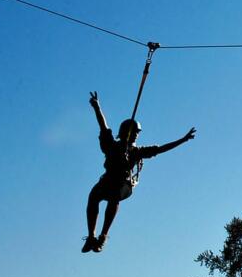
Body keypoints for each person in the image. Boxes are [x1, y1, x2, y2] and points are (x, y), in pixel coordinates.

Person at [83, 91, 195, 252]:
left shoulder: (137, 151)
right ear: (125, 132)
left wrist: (182, 140)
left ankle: (102, 236)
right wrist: (97, 107)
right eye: (134, 132)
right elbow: (103, 126)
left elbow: (161, 148)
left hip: (123, 186)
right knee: (93, 196)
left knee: (114, 196)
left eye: (137, 133)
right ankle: (91, 237)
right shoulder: (112, 145)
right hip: (107, 181)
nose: (136, 135)